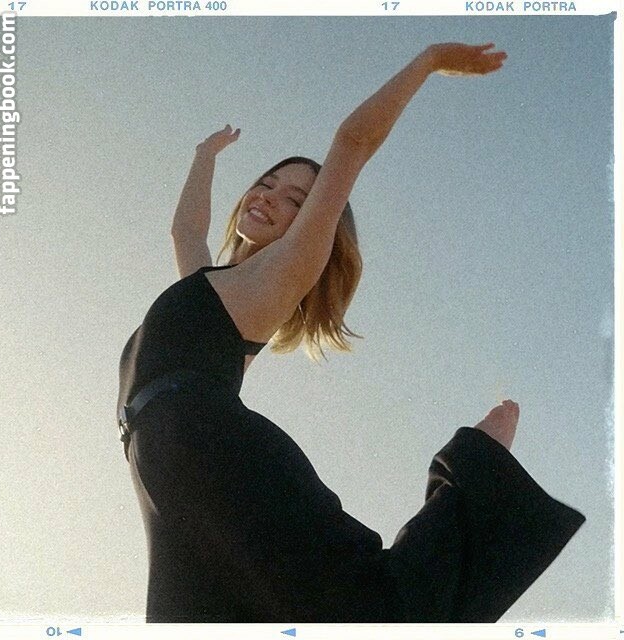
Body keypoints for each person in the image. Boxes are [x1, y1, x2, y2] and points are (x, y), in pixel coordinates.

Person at [116, 43, 585, 623]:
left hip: (208, 446)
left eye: (296, 199)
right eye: (267, 182)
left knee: (359, 604)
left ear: (311, 225)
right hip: (159, 456)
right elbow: (186, 228)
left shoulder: (285, 271)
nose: (269, 196)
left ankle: (477, 473)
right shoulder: (208, 283)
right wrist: (204, 155)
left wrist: (428, 61)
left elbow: (353, 142)